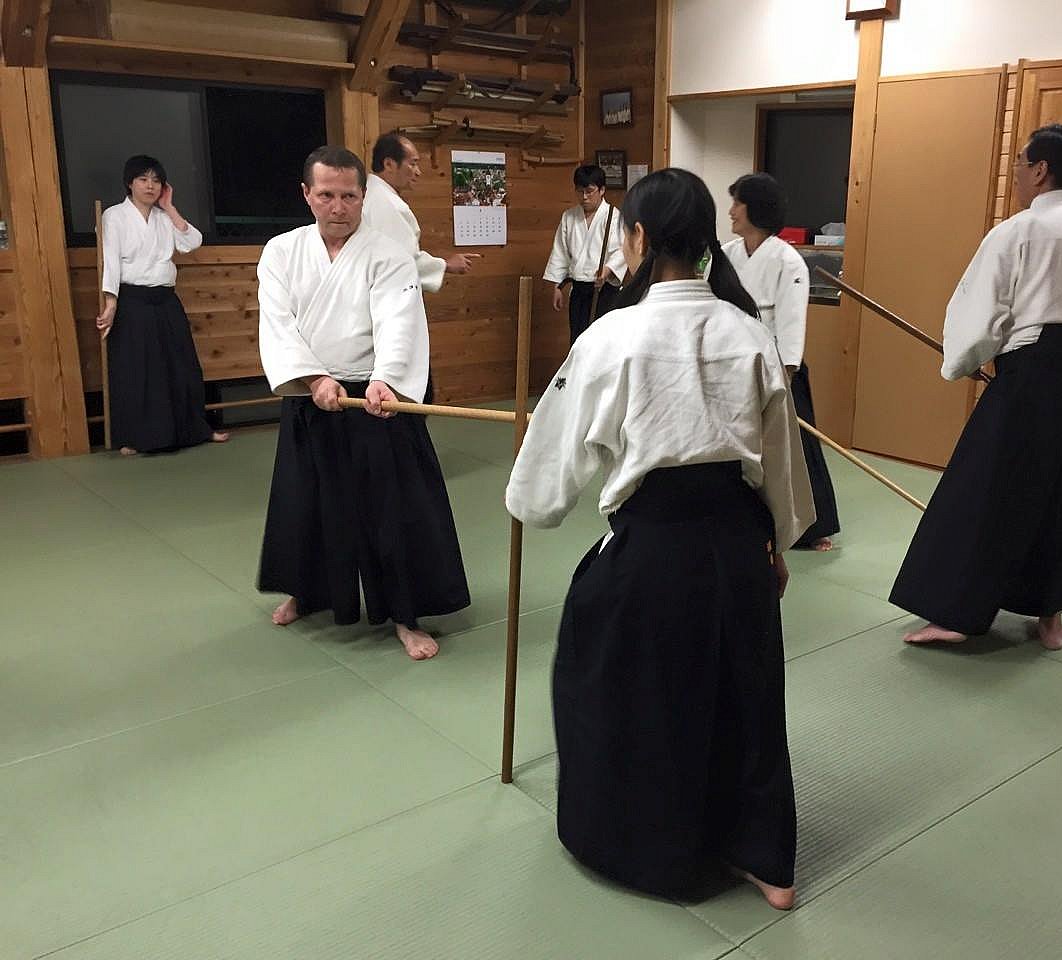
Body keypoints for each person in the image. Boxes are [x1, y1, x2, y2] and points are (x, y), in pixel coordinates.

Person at [507, 168, 815, 910]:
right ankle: (766, 861)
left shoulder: (611, 336)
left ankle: (654, 853)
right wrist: (775, 545)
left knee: (624, 687)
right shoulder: (748, 332)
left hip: (651, 547)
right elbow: (780, 462)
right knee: (744, 694)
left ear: (638, 238)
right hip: (738, 543)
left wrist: (531, 500)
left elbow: (543, 484)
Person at [890, 123, 1062, 651]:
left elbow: (982, 309)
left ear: (1041, 170)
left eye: (1020, 165)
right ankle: (1051, 617)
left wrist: (962, 360)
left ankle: (957, 614)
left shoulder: (1017, 232)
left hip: (1031, 374)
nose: (1017, 175)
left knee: (985, 487)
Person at [256, 146, 470, 661]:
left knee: (392, 509)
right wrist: (314, 378)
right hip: (312, 393)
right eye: (326, 195)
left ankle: (404, 613)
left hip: (377, 398)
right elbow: (277, 323)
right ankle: (307, 591)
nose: (338, 207)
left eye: (349, 196)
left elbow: (399, 319)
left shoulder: (387, 252)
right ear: (307, 195)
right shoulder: (281, 251)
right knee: (307, 502)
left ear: (363, 195)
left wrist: (386, 380)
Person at [724, 173, 840, 551]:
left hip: (779, 365)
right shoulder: (727, 255)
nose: (731, 211)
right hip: (736, 361)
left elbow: (792, 322)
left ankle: (812, 525)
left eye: (737, 203)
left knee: (797, 446)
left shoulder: (788, 260)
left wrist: (786, 373)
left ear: (756, 209)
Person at [95, 155, 230, 454]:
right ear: (130, 183)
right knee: (138, 369)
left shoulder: (163, 217)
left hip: (166, 299)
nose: (150, 186)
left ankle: (194, 429)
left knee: (181, 364)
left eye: (156, 181)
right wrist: (111, 304)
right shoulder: (114, 216)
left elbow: (192, 242)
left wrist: (169, 207)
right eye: (143, 179)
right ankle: (136, 438)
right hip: (132, 300)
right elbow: (111, 262)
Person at [362, 132, 479, 403]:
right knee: (406, 383)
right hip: (390, 304)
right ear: (389, 164)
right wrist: (445, 264)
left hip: (386, 302)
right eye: (412, 163)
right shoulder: (383, 204)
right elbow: (402, 263)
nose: (418, 171)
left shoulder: (380, 197)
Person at [543, 164, 627, 344]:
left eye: (589, 191)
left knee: (601, 341)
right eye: (580, 191)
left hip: (603, 289)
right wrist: (557, 286)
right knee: (578, 340)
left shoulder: (613, 216)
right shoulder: (569, 216)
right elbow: (561, 252)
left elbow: (621, 251)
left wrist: (607, 270)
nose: (584, 197)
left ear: (602, 190)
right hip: (579, 289)